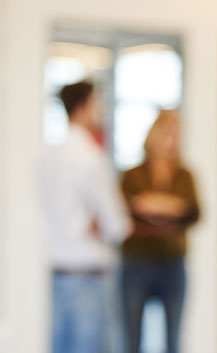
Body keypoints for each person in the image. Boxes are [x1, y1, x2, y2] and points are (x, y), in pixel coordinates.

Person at [39, 81, 131, 353]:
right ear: (82, 108)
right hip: (88, 278)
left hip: (58, 273)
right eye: (97, 104)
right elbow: (118, 226)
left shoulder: (47, 154)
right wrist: (94, 223)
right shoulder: (91, 157)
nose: (100, 111)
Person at [119, 110, 200, 353]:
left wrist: (151, 204)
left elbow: (193, 213)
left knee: (173, 339)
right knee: (131, 338)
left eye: (176, 135)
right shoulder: (132, 175)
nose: (171, 140)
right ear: (153, 135)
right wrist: (171, 207)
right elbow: (126, 212)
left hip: (173, 263)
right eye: (167, 133)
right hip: (136, 262)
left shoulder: (185, 175)